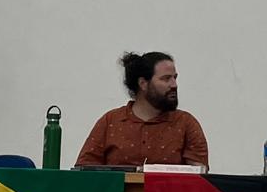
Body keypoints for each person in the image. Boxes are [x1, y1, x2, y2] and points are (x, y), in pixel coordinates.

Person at [76, 51, 209, 168]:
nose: (174, 85)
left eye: (175, 78)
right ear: (143, 83)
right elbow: (84, 170)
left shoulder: (186, 123)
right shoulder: (110, 121)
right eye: (166, 79)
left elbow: (199, 176)